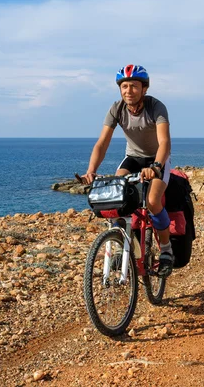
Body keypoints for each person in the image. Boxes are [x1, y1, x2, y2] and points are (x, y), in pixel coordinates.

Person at [81, 64, 174, 277]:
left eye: (133, 86)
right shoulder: (117, 109)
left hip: (157, 159)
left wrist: (156, 167)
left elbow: (164, 141)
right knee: (116, 198)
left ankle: (167, 250)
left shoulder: (156, 107)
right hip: (133, 158)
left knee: (152, 201)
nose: (128, 91)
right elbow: (102, 143)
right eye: (124, 86)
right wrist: (91, 170)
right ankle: (126, 247)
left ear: (144, 89)